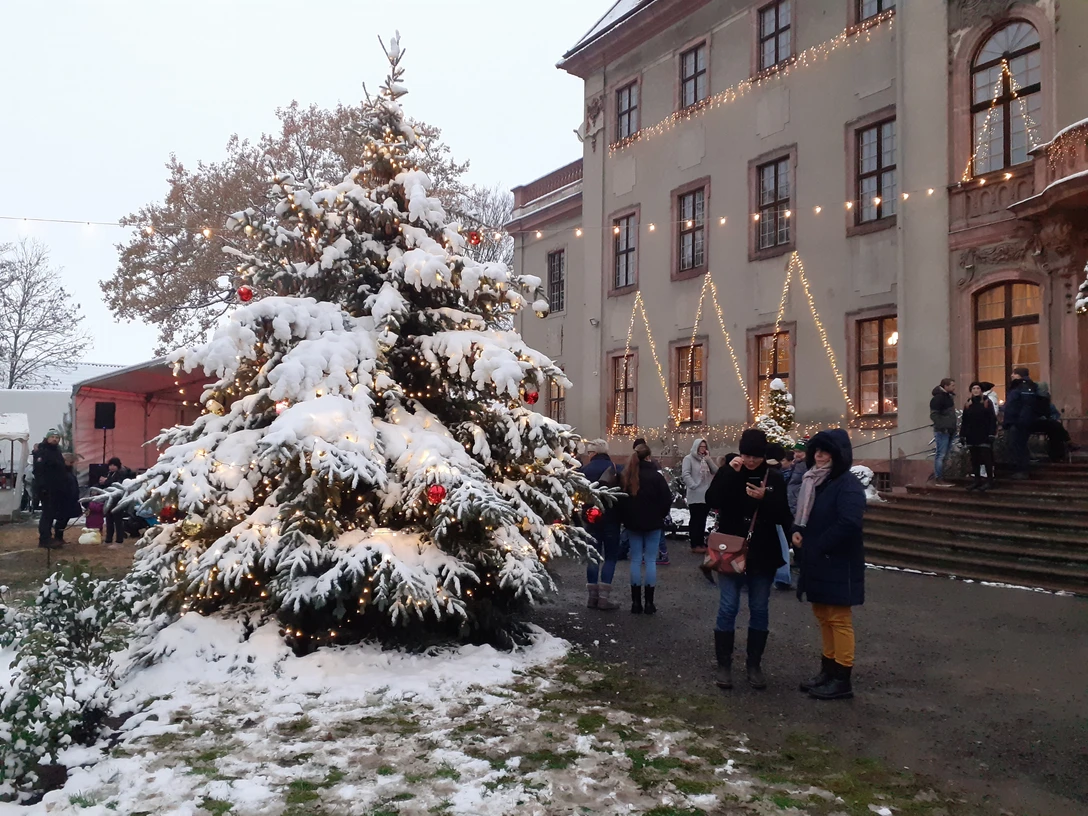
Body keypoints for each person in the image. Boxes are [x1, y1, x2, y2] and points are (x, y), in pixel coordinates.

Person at [705, 428, 792, 690]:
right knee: (728, 607)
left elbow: (783, 516)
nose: (750, 460)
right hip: (730, 551)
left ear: (763, 455)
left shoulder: (773, 476)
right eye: (746, 454)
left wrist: (766, 498)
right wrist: (728, 472)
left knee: (760, 608)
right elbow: (712, 500)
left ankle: (754, 665)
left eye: (755, 456)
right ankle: (724, 665)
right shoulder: (732, 471)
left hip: (762, 553)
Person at [791, 429, 866, 701]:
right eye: (817, 451)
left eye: (825, 452)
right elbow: (808, 517)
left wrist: (817, 544)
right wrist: (797, 530)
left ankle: (842, 678)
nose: (819, 456)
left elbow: (849, 523)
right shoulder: (815, 482)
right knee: (823, 616)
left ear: (838, 454)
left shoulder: (847, 484)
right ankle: (828, 668)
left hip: (839, 562)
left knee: (839, 620)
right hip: (818, 561)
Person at [619, 443, 672, 615]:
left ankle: (635, 603)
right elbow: (666, 499)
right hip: (653, 523)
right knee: (649, 561)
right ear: (649, 457)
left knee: (635, 560)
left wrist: (626, 518)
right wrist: (660, 515)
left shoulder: (627, 476)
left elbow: (621, 500)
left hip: (633, 524)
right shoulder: (657, 477)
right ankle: (649, 603)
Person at [580, 439, 621, 611]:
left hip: (591, 518)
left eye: (589, 453)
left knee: (593, 556)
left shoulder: (583, 470)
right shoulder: (617, 469)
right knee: (610, 557)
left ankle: (592, 597)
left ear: (594, 453)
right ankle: (604, 599)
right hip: (612, 517)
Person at [681, 438, 717, 555]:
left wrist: (709, 459)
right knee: (696, 519)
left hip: (706, 494)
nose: (703, 449)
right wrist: (693, 485)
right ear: (696, 447)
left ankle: (701, 542)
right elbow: (686, 474)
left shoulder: (705, 459)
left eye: (705, 447)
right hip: (695, 493)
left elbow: (715, 471)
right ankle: (695, 543)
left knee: (703, 520)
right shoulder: (688, 459)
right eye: (701, 447)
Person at [33, 430, 69, 548]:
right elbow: (38, 471)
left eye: (57, 437)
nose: (55, 439)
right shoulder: (43, 452)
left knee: (53, 513)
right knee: (47, 514)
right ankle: (44, 539)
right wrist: (42, 487)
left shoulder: (56, 451)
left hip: (57, 488)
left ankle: (51, 537)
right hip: (46, 489)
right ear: (47, 438)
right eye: (52, 437)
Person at [766, 444, 793, 592]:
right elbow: (782, 501)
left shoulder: (758, 470)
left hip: (758, 517)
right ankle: (782, 578)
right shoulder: (778, 474)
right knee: (782, 547)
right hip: (776, 518)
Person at [960, 382, 997, 491]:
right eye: (973, 388)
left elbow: (992, 419)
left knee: (986, 458)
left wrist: (991, 433)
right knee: (974, 459)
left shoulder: (986, 402)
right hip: (972, 434)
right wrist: (962, 434)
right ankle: (977, 480)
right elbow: (965, 420)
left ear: (981, 390)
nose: (976, 390)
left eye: (978, 388)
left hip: (984, 434)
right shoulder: (968, 403)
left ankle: (989, 480)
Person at [1002, 368, 1038, 480]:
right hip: (1016, 421)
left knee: (1018, 445)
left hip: (1019, 422)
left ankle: (1022, 470)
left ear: (1020, 375)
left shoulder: (1025, 387)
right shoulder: (1020, 386)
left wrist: (1020, 420)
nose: (1012, 375)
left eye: (1014, 373)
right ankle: (1019, 468)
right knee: (1015, 445)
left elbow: (1026, 406)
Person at [101, 457, 135, 543]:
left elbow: (116, 484)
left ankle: (119, 539)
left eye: (114, 465)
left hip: (117, 500)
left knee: (118, 520)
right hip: (109, 499)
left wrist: (106, 481)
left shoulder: (121, 474)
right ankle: (109, 538)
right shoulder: (109, 473)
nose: (112, 467)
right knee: (109, 520)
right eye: (110, 465)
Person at [930, 378, 957, 486]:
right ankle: (939, 478)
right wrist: (943, 426)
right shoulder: (938, 398)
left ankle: (942, 477)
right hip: (942, 431)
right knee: (941, 454)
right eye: (952, 385)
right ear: (945, 386)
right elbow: (934, 415)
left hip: (949, 429)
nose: (954, 387)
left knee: (944, 454)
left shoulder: (948, 397)